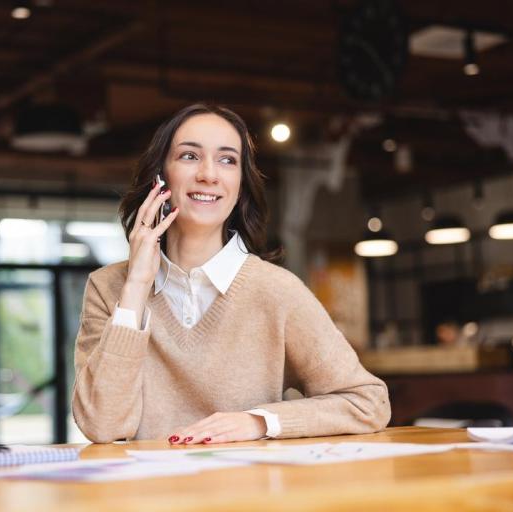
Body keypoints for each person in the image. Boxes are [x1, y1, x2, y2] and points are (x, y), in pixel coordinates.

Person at [72, 103, 390, 444]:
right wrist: (136, 286)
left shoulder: (278, 290)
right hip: (147, 481)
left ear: (240, 184)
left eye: (227, 160)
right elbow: (103, 426)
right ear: (160, 177)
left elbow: (367, 402)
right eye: (189, 156)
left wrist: (258, 422)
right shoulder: (108, 287)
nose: (209, 174)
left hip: (249, 480)